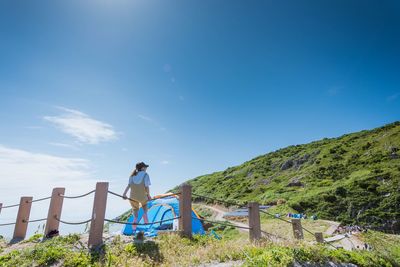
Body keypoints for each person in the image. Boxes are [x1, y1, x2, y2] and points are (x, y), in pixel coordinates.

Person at [122, 162, 152, 234]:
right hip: (142, 196)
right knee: (144, 204)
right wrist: (148, 195)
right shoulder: (145, 175)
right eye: (145, 167)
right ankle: (145, 214)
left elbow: (128, 186)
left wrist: (124, 194)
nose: (146, 168)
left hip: (132, 197)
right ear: (142, 168)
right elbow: (147, 187)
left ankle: (134, 226)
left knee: (135, 209)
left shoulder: (132, 176)